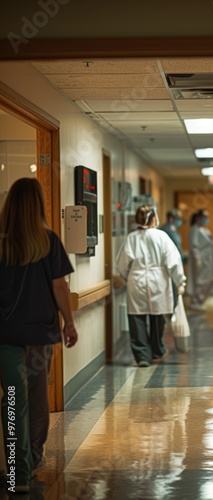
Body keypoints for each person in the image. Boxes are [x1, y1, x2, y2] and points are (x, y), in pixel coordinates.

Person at [0, 178, 78, 494]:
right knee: (36, 399)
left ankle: (16, 473)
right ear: (38, 205)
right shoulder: (48, 241)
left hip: (5, 335)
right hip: (40, 334)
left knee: (13, 399)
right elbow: (59, 287)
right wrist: (69, 323)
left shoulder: (1, 244)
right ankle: (32, 458)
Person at [116, 205, 186, 367]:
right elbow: (174, 261)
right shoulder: (162, 236)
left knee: (136, 318)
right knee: (158, 316)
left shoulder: (131, 238)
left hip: (137, 280)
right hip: (159, 281)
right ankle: (157, 350)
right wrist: (180, 281)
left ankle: (141, 356)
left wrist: (126, 277)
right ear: (154, 218)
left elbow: (122, 264)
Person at [187, 209, 213, 312]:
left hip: (208, 260)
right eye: (205, 217)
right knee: (199, 281)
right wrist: (198, 259)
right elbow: (194, 246)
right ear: (198, 218)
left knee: (211, 279)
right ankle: (195, 300)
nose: (207, 219)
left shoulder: (204, 230)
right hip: (200, 261)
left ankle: (200, 300)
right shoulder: (195, 229)